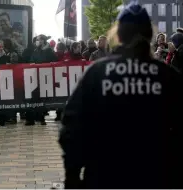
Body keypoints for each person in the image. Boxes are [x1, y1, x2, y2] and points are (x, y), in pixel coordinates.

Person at [59, 1, 183, 188]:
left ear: (118, 35)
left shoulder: (97, 73)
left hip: (105, 176)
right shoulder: (168, 76)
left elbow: (72, 128)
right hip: (158, 176)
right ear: (150, 34)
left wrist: (72, 176)